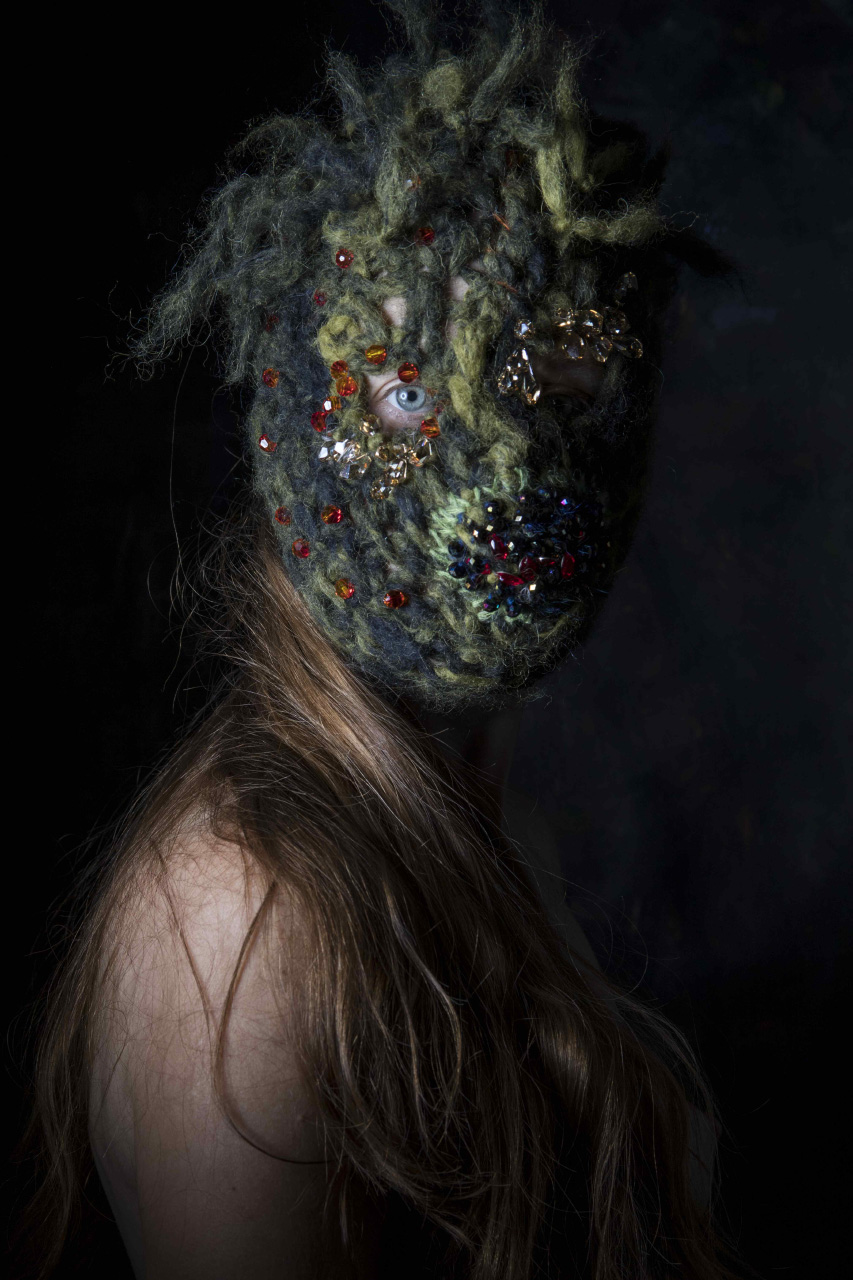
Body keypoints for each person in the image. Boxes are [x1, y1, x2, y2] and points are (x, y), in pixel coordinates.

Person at [12, 3, 754, 1277]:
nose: (502, 462)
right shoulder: (241, 928)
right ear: (297, 418)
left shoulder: (474, 815)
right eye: (406, 391)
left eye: (558, 370)